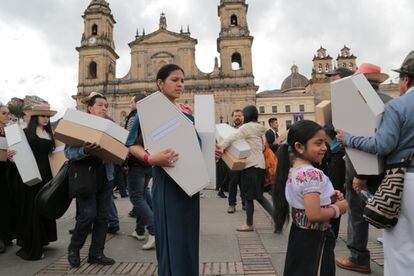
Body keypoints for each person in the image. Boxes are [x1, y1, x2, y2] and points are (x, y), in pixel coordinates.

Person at [126, 64, 222, 275]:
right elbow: (131, 144)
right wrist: (151, 158)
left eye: (182, 80)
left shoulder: (186, 112)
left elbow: (193, 144)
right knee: (172, 237)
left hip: (191, 183)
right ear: (160, 84)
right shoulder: (148, 110)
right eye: (175, 80)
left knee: (188, 237)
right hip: (168, 182)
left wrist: (209, 153)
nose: (180, 84)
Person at [336, 51, 414, 276]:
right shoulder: (390, 101)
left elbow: (383, 145)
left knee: (399, 245)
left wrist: (348, 138)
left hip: (404, 179)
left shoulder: (398, 106)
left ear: (405, 79)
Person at [335, 63, 393, 274]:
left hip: (361, 169)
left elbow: (363, 138)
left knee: (357, 212)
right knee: (389, 211)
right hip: (387, 168)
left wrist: (361, 174)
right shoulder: (390, 101)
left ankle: (358, 257)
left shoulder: (358, 101)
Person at [273, 120, 348, 276]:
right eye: (318, 143)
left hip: (300, 235)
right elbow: (314, 214)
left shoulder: (295, 171)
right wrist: (337, 209)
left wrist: (329, 198)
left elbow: (303, 201)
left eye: (325, 143)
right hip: (316, 238)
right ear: (299, 147)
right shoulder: (311, 174)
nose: (324, 148)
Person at [66, 93, 115, 267]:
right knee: (87, 215)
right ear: (90, 108)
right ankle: (74, 248)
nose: (104, 108)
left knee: (102, 218)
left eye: (106, 106)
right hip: (86, 178)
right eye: (100, 105)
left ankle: (96, 254)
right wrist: (85, 150)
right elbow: (68, 153)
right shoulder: (80, 126)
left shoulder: (110, 127)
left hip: (106, 177)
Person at [7, 96, 58, 260]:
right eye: (43, 116)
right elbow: (17, 155)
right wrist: (11, 155)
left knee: (44, 208)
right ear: (35, 117)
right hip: (31, 177)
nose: (46, 119)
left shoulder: (50, 134)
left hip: (46, 177)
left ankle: (42, 240)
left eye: (48, 117)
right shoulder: (25, 133)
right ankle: (32, 246)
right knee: (33, 210)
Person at [219, 105, 273, 231]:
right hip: (260, 166)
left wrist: (220, 147)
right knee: (257, 196)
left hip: (251, 166)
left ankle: (249, 224)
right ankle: (276, 217)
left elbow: (232, 137)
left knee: (250, 197)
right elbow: (264, 147)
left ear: (246, 116)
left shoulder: (247, 127)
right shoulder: (260, 130)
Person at [323, 67, 353, 239]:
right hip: (336, 151)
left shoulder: (347, 101)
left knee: (335, 191)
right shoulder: (341, 100)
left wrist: (326, 127)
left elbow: (340, 129)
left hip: (340, 153)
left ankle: (331, 231)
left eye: (334, 79)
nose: (331, 82)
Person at [125, 94, 156, 250]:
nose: (130, 104)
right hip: (148, 162)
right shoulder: (152, 118)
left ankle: (154, 230)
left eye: (132, 102)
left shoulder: (134, 118)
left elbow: (128, 141)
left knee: (136, 197)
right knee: (143, 194)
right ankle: (139, 230)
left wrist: (124, 161)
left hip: (136, 162)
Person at [0, 103, 14, 254]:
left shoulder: (10, 132)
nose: (8, 116)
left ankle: (6, 235)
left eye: (8, 113)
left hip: (7, 172)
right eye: (4, 113)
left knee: (6, 204)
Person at [227, 109, 245, 213]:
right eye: (235, 116)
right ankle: (231, 204)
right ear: (232, 117)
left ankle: (245, 203)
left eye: (239, 116)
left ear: (243, 117)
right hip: (233, 158)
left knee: (244, 183)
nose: (237, 117)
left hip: (244, 158)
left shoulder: (246, 129)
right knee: (233, 182)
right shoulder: (228, 129)